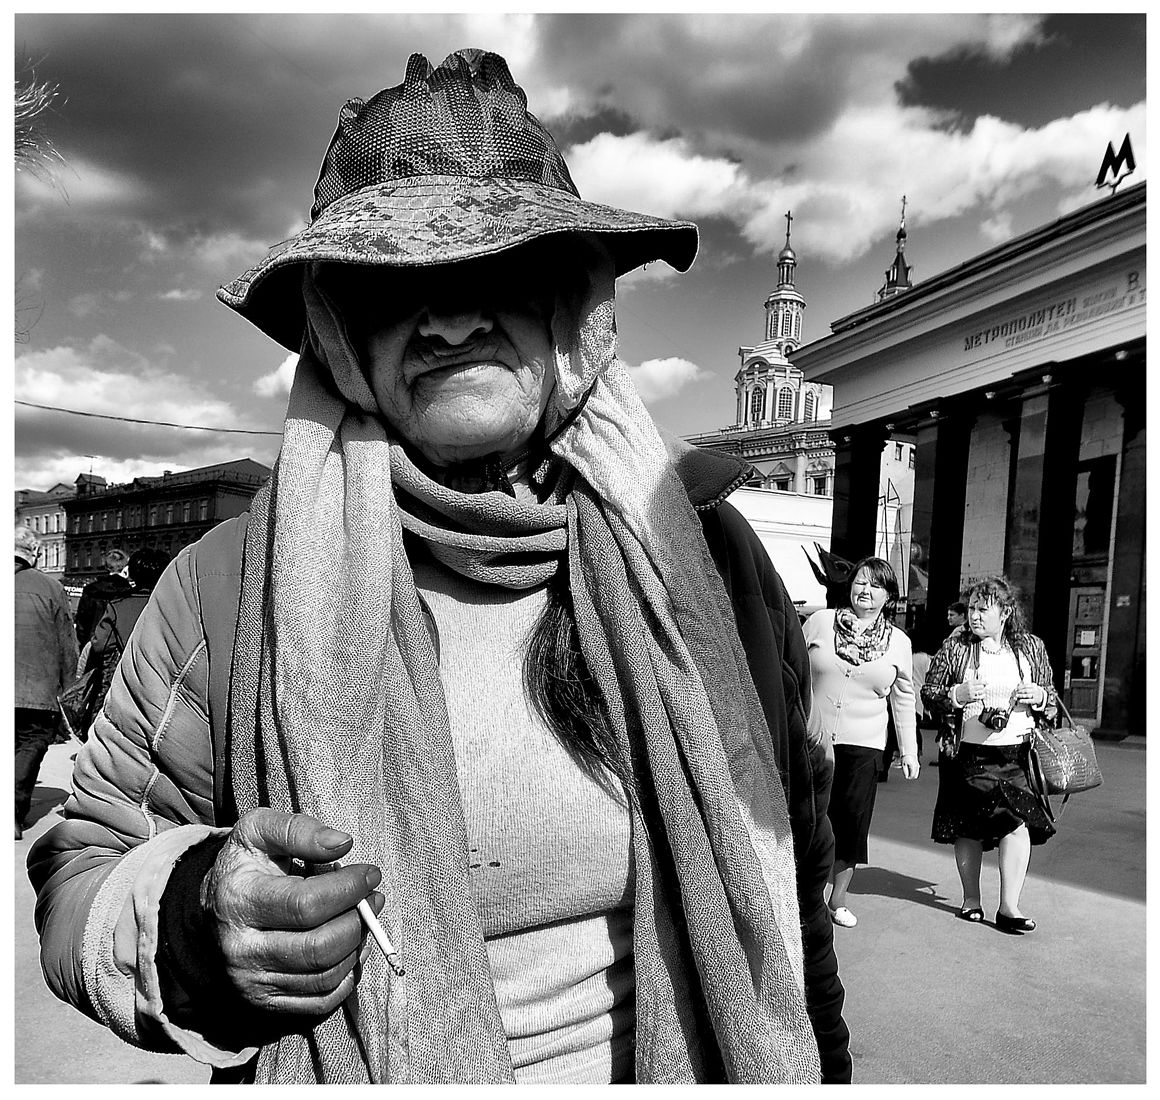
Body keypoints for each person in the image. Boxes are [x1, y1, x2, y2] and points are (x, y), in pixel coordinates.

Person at [29, 50, 846, 1084]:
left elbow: (794, 874)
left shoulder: (700, 552)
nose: (452, 318)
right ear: (337, 327)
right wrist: (199, 913)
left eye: (499, 272)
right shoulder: (230, 586)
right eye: (395, 283)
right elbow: (81, 866)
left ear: (570, 308)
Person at [922, 575, 1057, 932]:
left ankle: (1009, 907)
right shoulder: (957, 647)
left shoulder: (1030, 648)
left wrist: (1040, 697)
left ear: (1006, 612)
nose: (975, 617)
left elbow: (1053, 699)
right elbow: (929, 692)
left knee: (1016, 823)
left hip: (1017, 753)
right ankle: (971, 900)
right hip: (969, 753)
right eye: (971, 609)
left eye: (983, 609)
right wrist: (957, 694)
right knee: (969, 827)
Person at [803, 556, 919, 929]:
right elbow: (791, 668)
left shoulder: (898, 642)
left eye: (875, 585)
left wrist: (909, 750)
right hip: (813, 740)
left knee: (850, 825)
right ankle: (803, 896)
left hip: (864, 746)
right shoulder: (819, 623)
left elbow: (903, 697)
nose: (864, 590)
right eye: (859, 581)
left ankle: (836, 900)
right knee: (807, 818)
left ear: (889, 596)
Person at [14, 525, 78, 840]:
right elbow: (67, 643)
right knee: (30, 742)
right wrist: (70, 689)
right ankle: (11, 811)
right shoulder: (50, 588)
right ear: (34, 555)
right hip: (34, 690)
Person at [85, 548, 171, 706]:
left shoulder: (119, 606)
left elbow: (100, 645)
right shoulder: (175, 605)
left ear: (132, 573)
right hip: (166, 683)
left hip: (127, 682)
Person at [73, 547, 132, 647]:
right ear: (125, 567)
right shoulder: (129, 592)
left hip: (93, 645)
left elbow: (81, 624)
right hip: (120, 647)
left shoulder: (91, 590)